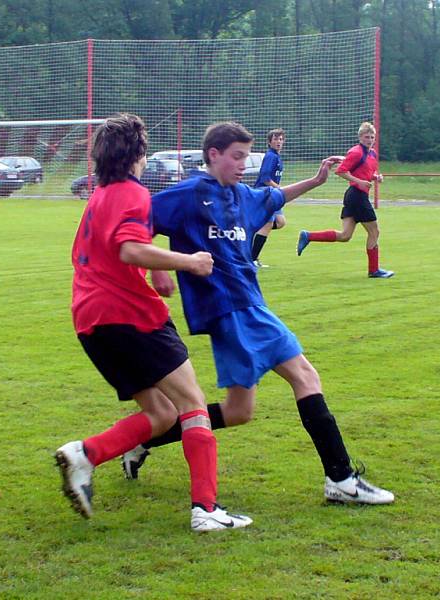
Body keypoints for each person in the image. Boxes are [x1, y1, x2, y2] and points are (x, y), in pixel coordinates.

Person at [121, 121, 394, 506]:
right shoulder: (189, 194)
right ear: (213, 155)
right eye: (236, 157)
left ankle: (145, 440)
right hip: (227, 310)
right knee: (305, 375)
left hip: (251, 304)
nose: (243, 165)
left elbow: (275, 197)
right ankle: (341, 477)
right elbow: (140, 221)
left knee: (238, 411)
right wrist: (160, 267)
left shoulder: (242, 197)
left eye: (246, 158)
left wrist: (316, 181)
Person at [55, 114, 252, 532]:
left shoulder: (100, 196)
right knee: (192, 404)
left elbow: (115, 251)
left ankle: (85, 455)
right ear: (138, 155)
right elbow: (129, 249)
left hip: (90, 321)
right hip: (131, 316)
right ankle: (206, 509)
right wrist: (188, 262)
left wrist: (155, 270)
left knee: (161, 415)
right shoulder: (132, 193)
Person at [296, 122, 393, 278]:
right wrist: (360, 182)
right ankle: (374, 270)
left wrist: (375, 177)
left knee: (345, 235)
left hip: (354, 196)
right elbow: (341, 171)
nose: (369, 140)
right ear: (360, 137)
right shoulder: (355, 152)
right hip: (357, 196)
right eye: (366, 137)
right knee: (374, 231)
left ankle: (308, 236)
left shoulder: (372, 154)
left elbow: (365, 172)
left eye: (372, 137)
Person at [251, 128, 286, 268]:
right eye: (276, 139)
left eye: (281, 139)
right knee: (268, 224)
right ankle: (252, 259)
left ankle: (253, 229)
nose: (279, 142)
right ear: (269, 142)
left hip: (272, 193)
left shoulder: (277, 157)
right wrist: (279, 189)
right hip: (265, 192)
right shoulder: (270, 156)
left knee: (281, 222)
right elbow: (265, 178)